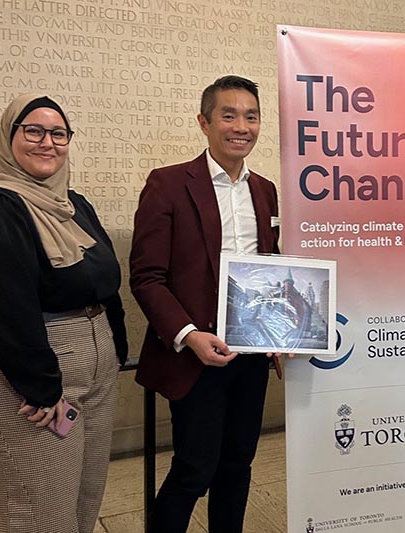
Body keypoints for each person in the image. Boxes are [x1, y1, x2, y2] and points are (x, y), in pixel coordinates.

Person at [0, 93, 128, 533]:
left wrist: (115, 353)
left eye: (58, 133)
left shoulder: (74, 205)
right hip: (31, 373)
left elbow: (105, 283)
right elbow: (6, 305)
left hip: (94, 364)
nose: (47, 142)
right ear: (9, 136)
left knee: (85, 498)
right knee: (36, 511)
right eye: (33, 131)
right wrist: (42, 388)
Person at [130, 75, 280, 532]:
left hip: (250, 353)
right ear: (204, 122)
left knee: (238, 465)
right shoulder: (169, 184)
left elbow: (270, 270)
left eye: (251, 116)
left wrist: (281, 334)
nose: (242, 127)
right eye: (229, 115)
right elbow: (147, 277)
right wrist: (189, 335)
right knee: (194, 468)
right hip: (194, 353)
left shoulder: (265, 190)